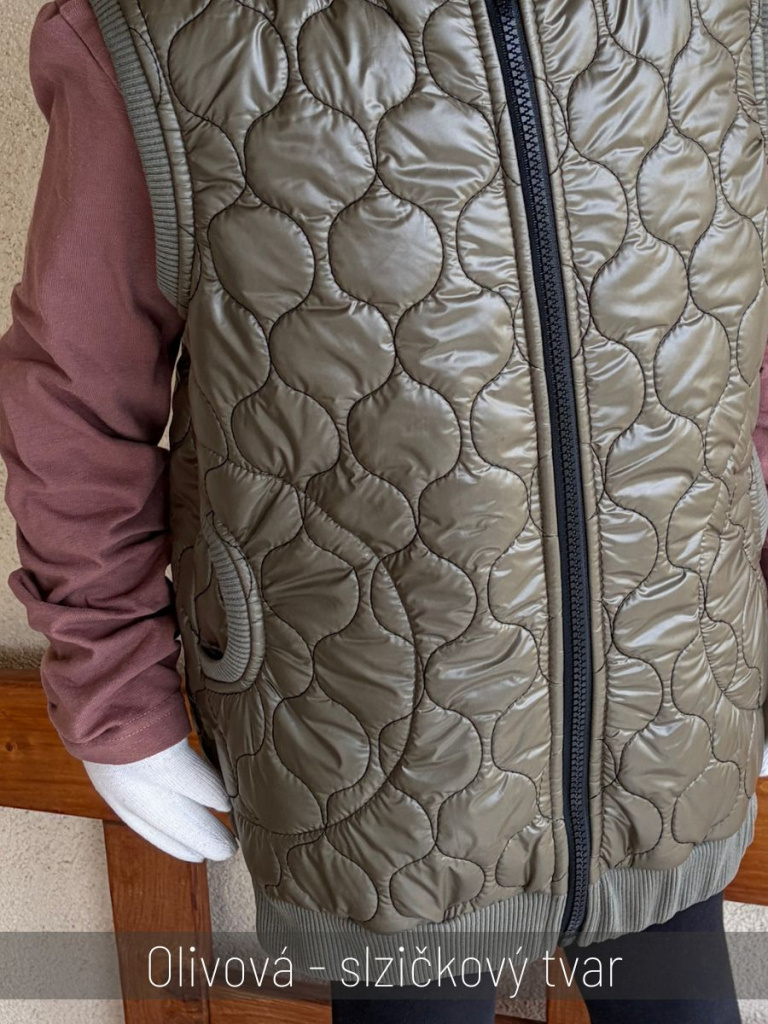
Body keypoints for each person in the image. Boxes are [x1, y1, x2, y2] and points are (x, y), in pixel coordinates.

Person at [1, 1, 768, 1021]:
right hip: (369, 742)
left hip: (675, 701)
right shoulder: (157, 26)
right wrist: (115, 689)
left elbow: (742, 326)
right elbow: (77, 398)